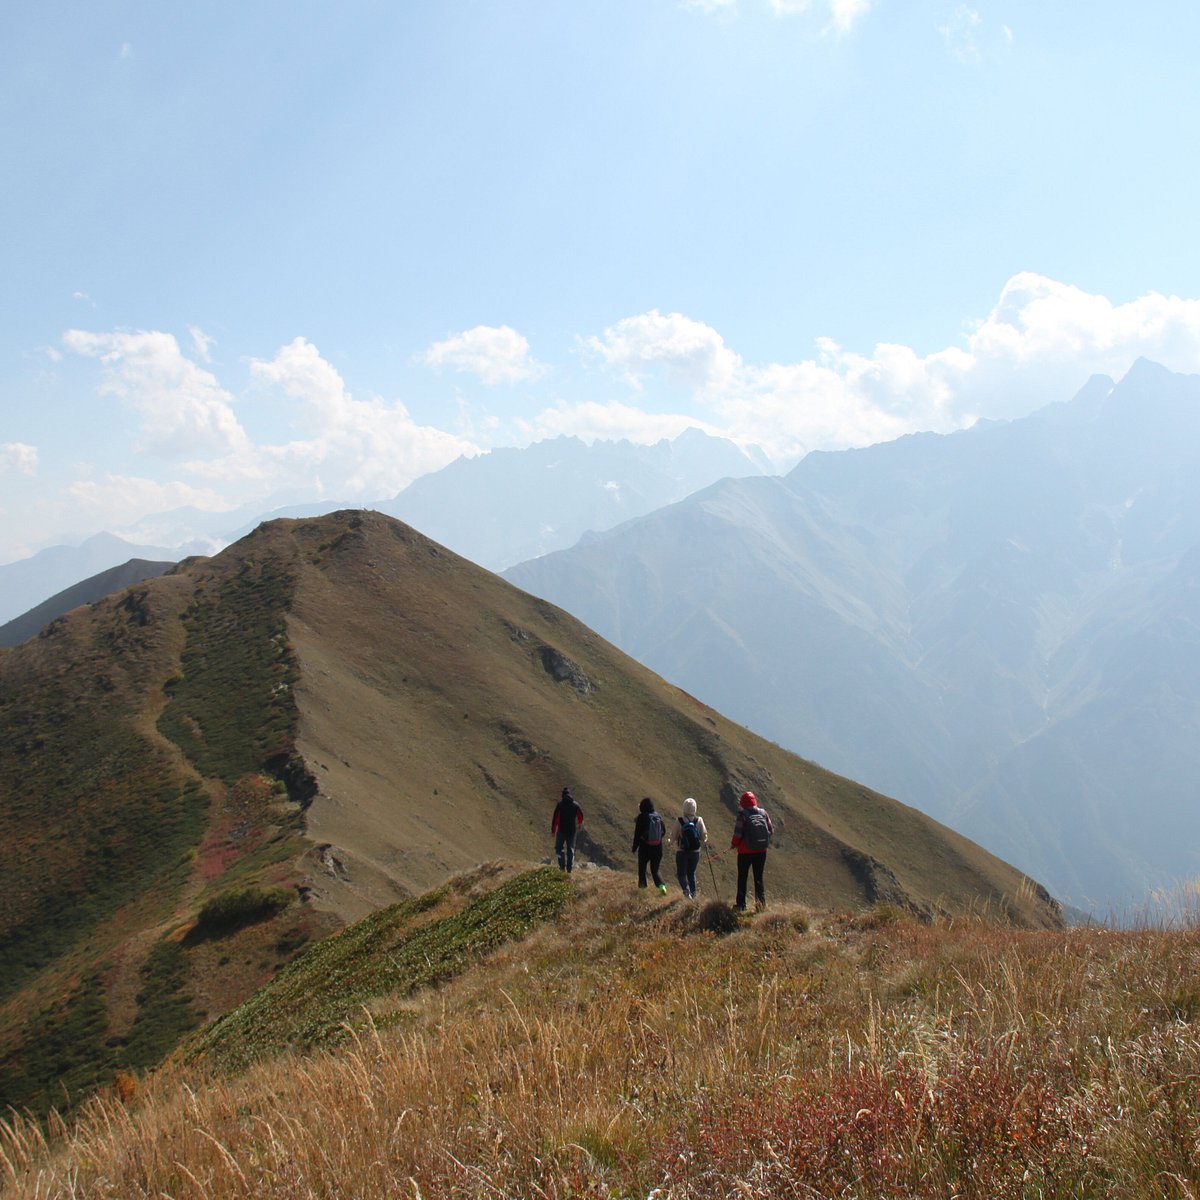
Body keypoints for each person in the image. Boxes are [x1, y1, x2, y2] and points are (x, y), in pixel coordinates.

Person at [731, 790, 773, 911]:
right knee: (758, 878)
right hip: (761, 851)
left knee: (742, 877)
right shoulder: (763, 813)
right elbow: (770, 830)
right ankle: (760, 906)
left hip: (745, 852)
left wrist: (734, 844)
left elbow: (738, 834)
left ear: (743, 802)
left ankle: (741, 905)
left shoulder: (742, 815)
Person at [671, 796, 708, 898]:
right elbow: (704, 835)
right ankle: (694, 895)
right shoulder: (699, 820)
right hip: (695, 852)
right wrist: (704, 840)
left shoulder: (679, 821)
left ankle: (686, 892)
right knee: (691, 874)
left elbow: (674, 835)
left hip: (682, 851)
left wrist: (670, 842)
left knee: (681, 874)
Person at [631, 796, 668, 894]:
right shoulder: (658, 816)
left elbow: (637, 834)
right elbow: (663, 831)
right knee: (655, 870)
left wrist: (634, 847)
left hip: (645, 848)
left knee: (642, 869)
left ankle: (643, 890)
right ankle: (662, 887)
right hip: (658, 848)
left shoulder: (642, 817)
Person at [551, 786, 584, 872]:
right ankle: (569, 868)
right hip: (571, 831)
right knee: (570, 848)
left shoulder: (560, 805)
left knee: (559, 848)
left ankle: (562, 866)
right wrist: (580, 823)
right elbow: (580, 815)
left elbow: (556, 819)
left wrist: (553, 830)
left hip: (561, 831)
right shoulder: (575, 805)